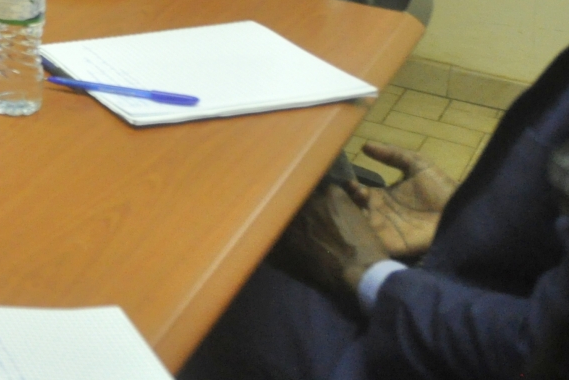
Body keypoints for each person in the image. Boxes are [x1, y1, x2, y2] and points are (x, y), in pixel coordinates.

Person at [180, 44, 569, 379]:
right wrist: (470, 223)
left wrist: (363, 270)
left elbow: (536, 350)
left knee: (203, 277)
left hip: (423, 358)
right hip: (461, 302)